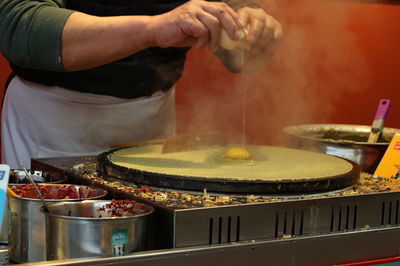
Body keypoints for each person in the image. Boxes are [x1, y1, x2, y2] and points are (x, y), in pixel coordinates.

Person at [0, 0, 282, 169]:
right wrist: (152, 29)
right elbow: (19, 24)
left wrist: (248, 22)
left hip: (152, 123)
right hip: (54, 125)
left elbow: (229, 15)